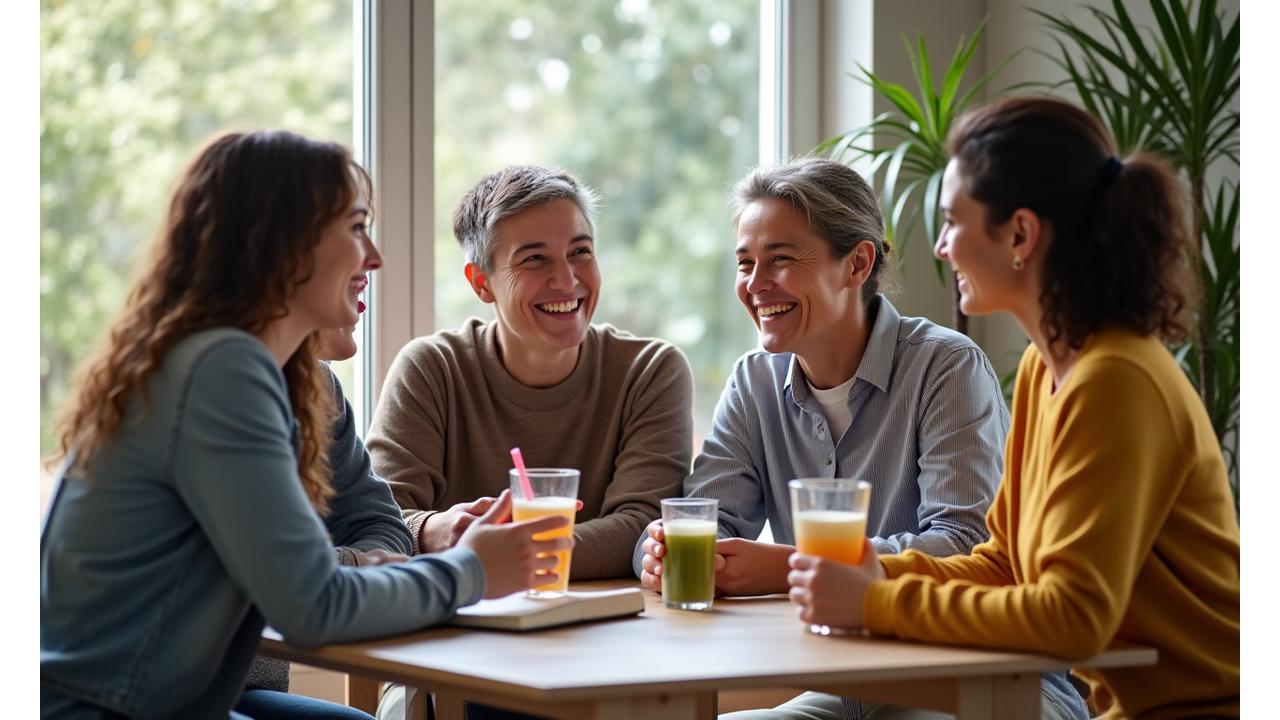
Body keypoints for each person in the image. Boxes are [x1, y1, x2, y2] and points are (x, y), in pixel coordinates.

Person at [40, 130, 572, 719]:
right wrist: (473, 570)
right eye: (355, 227)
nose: (374, 257)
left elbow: (342, 554)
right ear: (280, 244)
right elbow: (312, 604)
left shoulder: (248, 369)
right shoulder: (222, 373)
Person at [787, 96, 1240, 718]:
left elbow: (1072, 617)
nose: (942, 247)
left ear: (1020, 234)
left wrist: (873, 603)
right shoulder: (1044, 366)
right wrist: (880, 574)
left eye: (952, 221)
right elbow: (1005, 562)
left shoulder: (1115, 379)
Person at [635, 157, 1087, 720]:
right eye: (746, 263)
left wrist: (792, 565)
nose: (755, 285)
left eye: (780, 260)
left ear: (857, 264)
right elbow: (707, 522)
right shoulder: (754, 381)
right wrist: (656, 552)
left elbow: (967, 543)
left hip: (982, 677)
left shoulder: (945, 368)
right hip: (840, 683)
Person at [366, 164, 694, 720]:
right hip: (451, 656)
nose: (566, 280)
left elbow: (640, 522)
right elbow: (380, 520)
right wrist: (434, 528)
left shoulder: (650, 370)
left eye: (581, 252)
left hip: (606, 652)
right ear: (481, 283)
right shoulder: (432, 369)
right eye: (534, 259)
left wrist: (501, 557)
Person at [238, 319, 415, 719]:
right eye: (351, 252)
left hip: (233, 690)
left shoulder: (313, 386)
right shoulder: (217, 389)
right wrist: (469, 569)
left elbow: (381, 524)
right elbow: (262, 571)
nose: (371, 262)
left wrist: (358, 563)